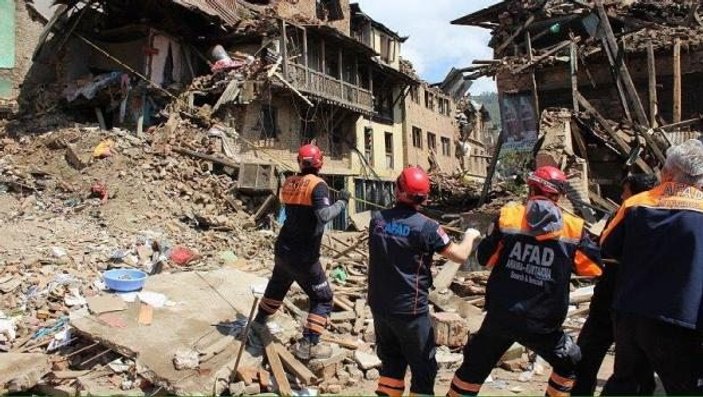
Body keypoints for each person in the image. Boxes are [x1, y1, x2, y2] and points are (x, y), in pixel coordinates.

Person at [448, 166, 603, 397]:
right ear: (558, 195)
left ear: (531, 188)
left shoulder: (509, 218)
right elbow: (592, 268)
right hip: (543, 323)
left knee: (474, 367)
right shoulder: (573, 227)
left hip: (502, 316)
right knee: (570, 361)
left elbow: (484, 258)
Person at [600, 139, 703, 395]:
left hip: (630, 314)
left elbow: (607, 246)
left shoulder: (637, 203)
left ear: (667, 172)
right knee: (684, 387)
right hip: (681, 319)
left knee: (627, 384)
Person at [368, 166, 481, 397]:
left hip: (380, 307)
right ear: (425, 197)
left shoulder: (377, 220)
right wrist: (470, 235)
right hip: (410, 310)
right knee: (424, 369)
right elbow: (459, 255)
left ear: (398, 190)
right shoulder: (428, 227)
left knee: (391, 364)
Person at [253, 144, 351, 360]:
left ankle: (259, 322)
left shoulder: (289, 182)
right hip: (305, 256)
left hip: (284, 249)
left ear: (299, 161)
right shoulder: (318, 185)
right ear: (320, 163)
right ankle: (308, 345)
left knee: (277, 286)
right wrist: (343, 202)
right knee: (323, 298)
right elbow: (324, 215)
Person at [572, 174, 658, 396]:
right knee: (634, 365)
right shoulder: (661, 219)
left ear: (636, 193)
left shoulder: (626, 214)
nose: (621, 196)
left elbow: (605, 248)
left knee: (597, 359)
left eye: (625, 191)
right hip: (629, 304)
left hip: (617, 301)